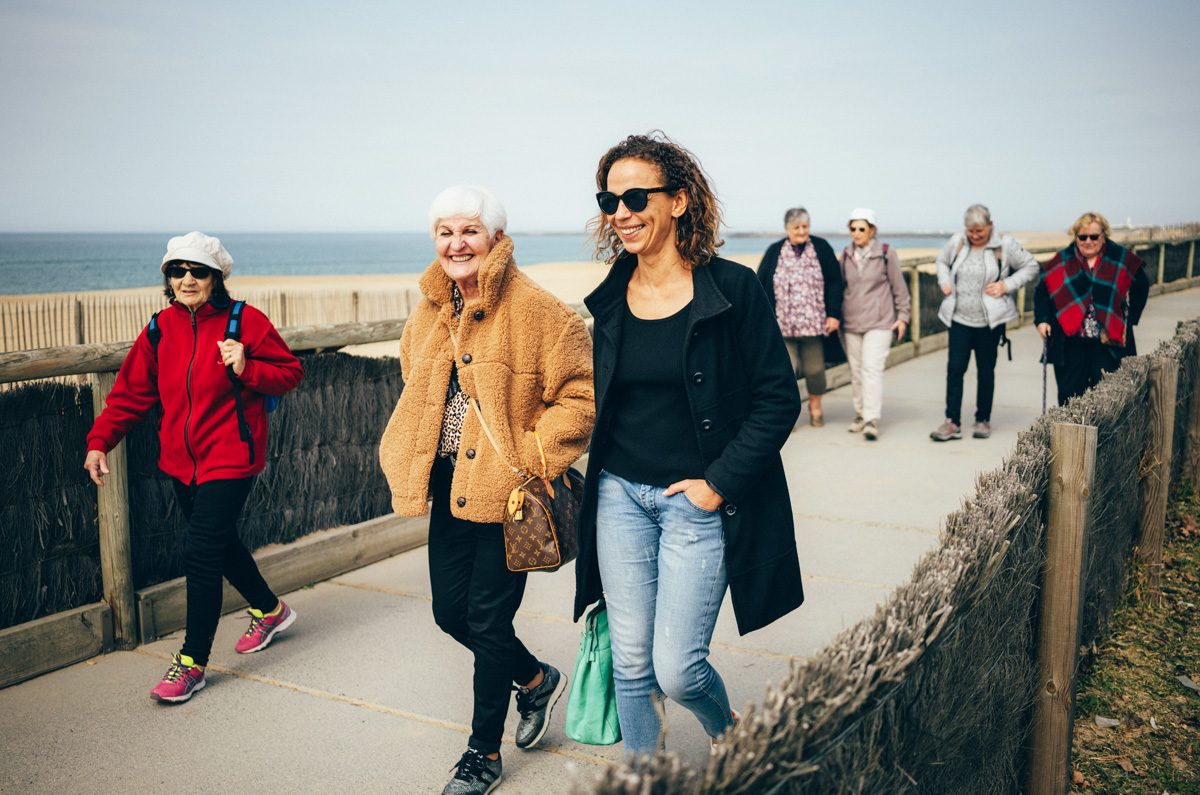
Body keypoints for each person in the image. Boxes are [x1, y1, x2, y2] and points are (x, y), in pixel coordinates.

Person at [573, 132, 804, 759]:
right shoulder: (611, 297)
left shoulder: (733, 289)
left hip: (696, 502)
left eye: (635, 196)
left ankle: (731, 733)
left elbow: (778, 398)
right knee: (631, 659)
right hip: (619, 495)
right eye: (608, 199)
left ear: (678, 201)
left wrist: (717, 483)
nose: (620, 212)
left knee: (677, 670)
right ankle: (644, 776)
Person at [378, 186, 594, 795]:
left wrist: (530, 457)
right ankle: (534, 680)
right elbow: (412, 378)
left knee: (487, 619)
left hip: (508, 491)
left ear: (495, 237)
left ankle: (483, 754)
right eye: (446, 232)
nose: (457, 243)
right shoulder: (428, 309)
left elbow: (580, 395)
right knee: (452, 614)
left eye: (469, 230)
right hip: (450, 484)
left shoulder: (537, 309)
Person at [84, 231, 304, 703]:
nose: (186, 279)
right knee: (221, 546)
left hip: (232, 456)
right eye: (177, 271)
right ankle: (270, 610)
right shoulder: (160, 328)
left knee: (201, 554)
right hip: (180, 461)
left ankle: (191, 663)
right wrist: (101, 441)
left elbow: (290, 374)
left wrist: (247, 367)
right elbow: (131, 393)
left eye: (197, 271)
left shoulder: (245, 321)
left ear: (216, 277)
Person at [929, 204, 1040, 441]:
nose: (974, 235)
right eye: (970, 231)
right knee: (955, 369)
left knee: (986, 370)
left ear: (990, 225)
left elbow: (1031, 266)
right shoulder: (958, 241)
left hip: (990, 322)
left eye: (979, 231)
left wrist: (1005, 285)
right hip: (959, 318)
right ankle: (952, 422)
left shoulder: (1005, 244)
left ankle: (982, 420)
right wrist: (943, 281)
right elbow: (941, 262)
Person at [1034, 212, 1149, 405]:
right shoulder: (1062, 260)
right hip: (1070, 343)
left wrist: (1131, 318)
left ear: (1103, 235)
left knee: (1108, 400)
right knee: (1070, 399)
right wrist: (1042, 320)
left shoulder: (1120, 258)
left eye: (1094, 236)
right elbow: (1042, 292)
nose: (1088, 241)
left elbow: (1142, 286)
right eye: (1082, 237)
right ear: (1076, 237)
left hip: (1108, 343)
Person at [757, 207, 843, 427]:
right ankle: (789, 414)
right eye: (797, 227)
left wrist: (833, 314)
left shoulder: (821, 248)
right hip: (783, 327)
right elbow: (761, 283)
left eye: (805, 226)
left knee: (815, 371)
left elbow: (835, 282)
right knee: (786, 374)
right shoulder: (775, 250)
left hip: (813, 326)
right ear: (787, 229)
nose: (802, 231)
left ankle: (815, 407)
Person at [839, 208, 910, 440]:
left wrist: (903, 316)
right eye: (853, 229)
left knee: (872, 369)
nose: (857, 233)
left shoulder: (886, 253)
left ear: (872, 230)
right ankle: (860, 414)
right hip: (851, 323)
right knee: (856, 372)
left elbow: (899, 287)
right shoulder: (846, 255)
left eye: (862, 229)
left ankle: (871, 419)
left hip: (880, 322)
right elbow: (840, 289)